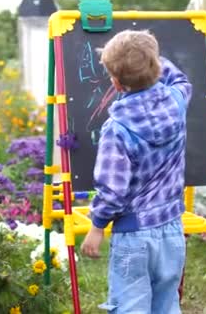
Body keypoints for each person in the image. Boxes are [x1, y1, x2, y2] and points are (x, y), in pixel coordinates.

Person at [80, 29, 192, 314]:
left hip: (134, 234)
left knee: (130, 307)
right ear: (156, 66)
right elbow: (181, 80)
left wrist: (97, 226)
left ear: (115, 82)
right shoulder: (176, 103)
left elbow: (112, 189)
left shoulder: (116, 129)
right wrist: (146, 56)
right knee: (167, 303)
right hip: (171, 228)